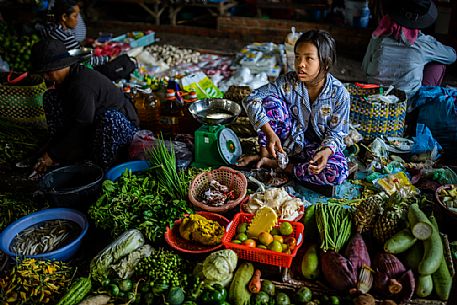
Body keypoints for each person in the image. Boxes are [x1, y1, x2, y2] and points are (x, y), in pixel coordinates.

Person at [237, 29, 350, 186]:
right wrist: (270, 133)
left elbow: (337, 133)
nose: (300, 64)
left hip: (316, 150)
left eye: (309, 58)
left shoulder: (339, 94)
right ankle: (267, 155)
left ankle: (281, 166)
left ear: (325, 62)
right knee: (270, 102)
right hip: (287, 145)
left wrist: (326, 151)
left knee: (337, 173)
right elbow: (251, 99)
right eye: (297, 57)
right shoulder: (288, 82)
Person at [30, 38, 139, 174]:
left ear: (61, 65)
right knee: (50, 97)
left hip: (121, 128)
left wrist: (53, 155)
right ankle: (70, 152)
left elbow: (82, 125)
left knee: (109, 118)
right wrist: (52, 149)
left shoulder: (81, 84)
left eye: (48, 72)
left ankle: (101, 170)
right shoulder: (66, 79)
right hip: (93, 123)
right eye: (43, 73)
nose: (45, 77)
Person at [362, 0, 456, 99]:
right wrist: (432, 45)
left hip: (375, 96)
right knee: (438, 64)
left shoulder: (378, 36)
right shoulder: (423, 43)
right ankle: (422, 105)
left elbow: (365, 68)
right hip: (406, 102)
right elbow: (452, 56)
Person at [39, 0, 107, 66]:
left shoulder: (47, 29)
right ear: (64, 17)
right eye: (75, 16)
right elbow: (86, 60)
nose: (77, 20)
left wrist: (91, 49)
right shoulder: (66, 37)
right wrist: (108, 58)